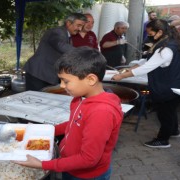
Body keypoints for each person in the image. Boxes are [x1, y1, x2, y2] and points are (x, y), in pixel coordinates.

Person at [14, 47, 123, 179]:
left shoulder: (101, 113)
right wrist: (46, 130)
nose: (61, 86)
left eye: (66, 81)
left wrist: (43, 164)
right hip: (70, 166)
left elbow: (89, 159)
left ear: (91, 79)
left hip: (86, 175)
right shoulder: (80, 99)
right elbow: (73, 124)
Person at [112, 19, 180, 148]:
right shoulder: (168, 43)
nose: (149, 36)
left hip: (171, 86)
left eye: (150, 34)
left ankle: (162, 140)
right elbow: (148, 60)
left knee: (164, 113)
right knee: (170, 110)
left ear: (160, 32)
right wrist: (130, 69)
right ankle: (174, 131)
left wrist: (121, 76)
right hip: (179, 84)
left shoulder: (165, 49)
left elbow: (147, 67)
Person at [24, 13, 87, 91]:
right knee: (34, 100)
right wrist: (83, 54)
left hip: (47, 74)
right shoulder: (57, 31)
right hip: (39, 73)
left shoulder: (67, 36)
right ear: (68, 23)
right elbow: (61, 45)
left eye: (81, 26)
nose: (80, 29)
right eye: (78, 25)